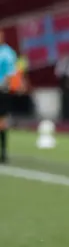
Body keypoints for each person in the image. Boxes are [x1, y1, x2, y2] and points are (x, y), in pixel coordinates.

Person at [0, 30, 17, 164]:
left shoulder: (7, 53)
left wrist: (10, 86)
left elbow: (11, 73)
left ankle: (3, 151)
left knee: (2, 121)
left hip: (2, 90)